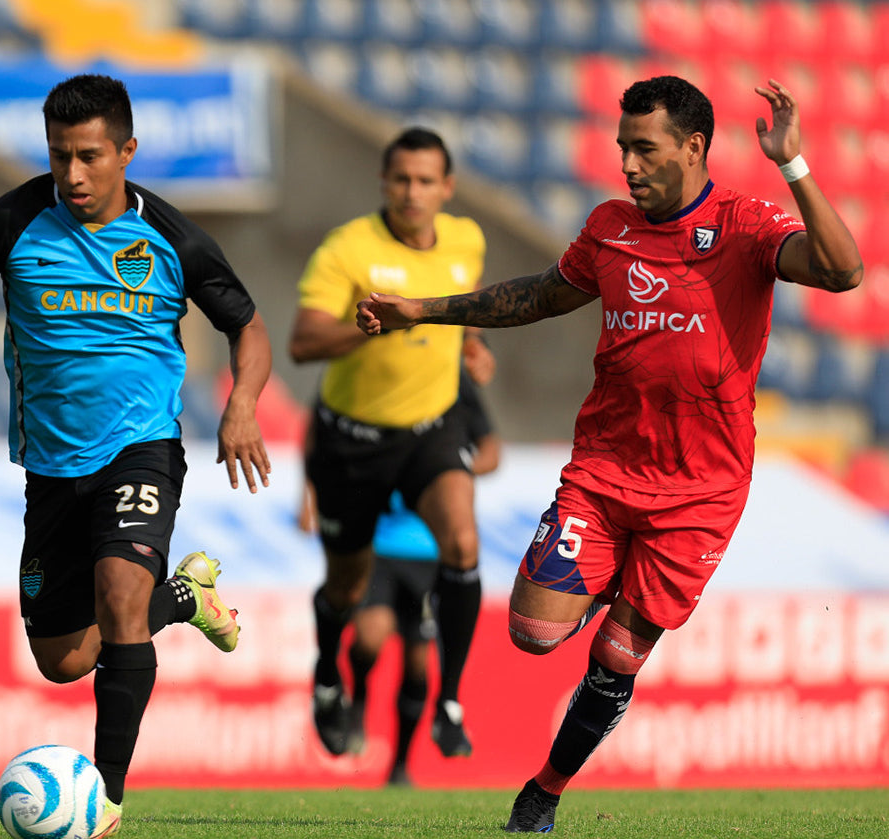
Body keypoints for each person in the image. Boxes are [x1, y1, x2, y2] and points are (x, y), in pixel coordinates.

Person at [357, 77, 862, 832]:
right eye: (622, 146)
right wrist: (421, 312)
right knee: (531, 634)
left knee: (617, 658)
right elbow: (535, 296)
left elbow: (842, 271)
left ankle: (544, 793)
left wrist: (793, 167)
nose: (626, 162)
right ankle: (612, 580)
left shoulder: (744, 224)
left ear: (693, 148)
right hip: (603, 472)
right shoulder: (609, 227)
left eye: (644, 148)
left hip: (702, 488)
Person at [0, 73, 272, 838]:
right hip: (50, 468)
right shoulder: (16, 219)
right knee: (64, 657)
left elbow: (247, 326)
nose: (72, 175)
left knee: (119, 599)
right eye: (59, 157)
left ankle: (106, 800)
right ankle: (186, 598)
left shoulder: (172, 237)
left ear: (126, 151)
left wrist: (241, 405)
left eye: (87, 157)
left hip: (141, 446)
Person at [288, 127, 489, 761]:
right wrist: (365, 330)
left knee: (462, 540)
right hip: (353, 440)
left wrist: (472, 342)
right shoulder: (348, 249)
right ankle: (327, 675)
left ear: (446, 188)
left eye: (426, 180)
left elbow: (454, 315)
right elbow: (301, 342)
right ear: (384, 182)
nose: (412, 192)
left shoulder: (467, 240)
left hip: (432, 428)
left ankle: (450, 701)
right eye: (401, 179)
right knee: (346, 588)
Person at [345, 372, 501, 786]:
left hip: (431, 553)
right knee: (369, 637)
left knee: (418, 662)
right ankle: (357, 697)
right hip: (380, 545)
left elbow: (491, 450)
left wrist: (451, 468)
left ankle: (399, 766)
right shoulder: (383, 381)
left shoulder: (452, 384)